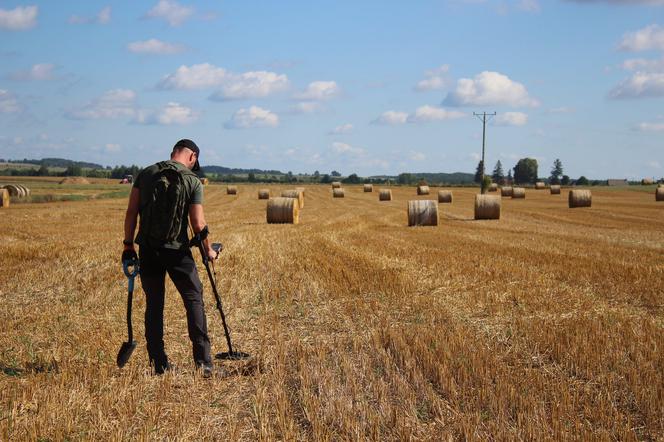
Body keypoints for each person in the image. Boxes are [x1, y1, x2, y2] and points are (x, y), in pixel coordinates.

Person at [122, 139, 220, 376]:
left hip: (148, 249)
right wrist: (208, 250)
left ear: (172, 153)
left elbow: (132, 213)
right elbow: (198, 224)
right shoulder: (192, 181)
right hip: (177, 251)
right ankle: (204, 364)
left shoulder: (146, 174)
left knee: (154, 305)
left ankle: (159, 364)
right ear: (192, 156)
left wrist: (128, 245)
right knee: (193, 299)